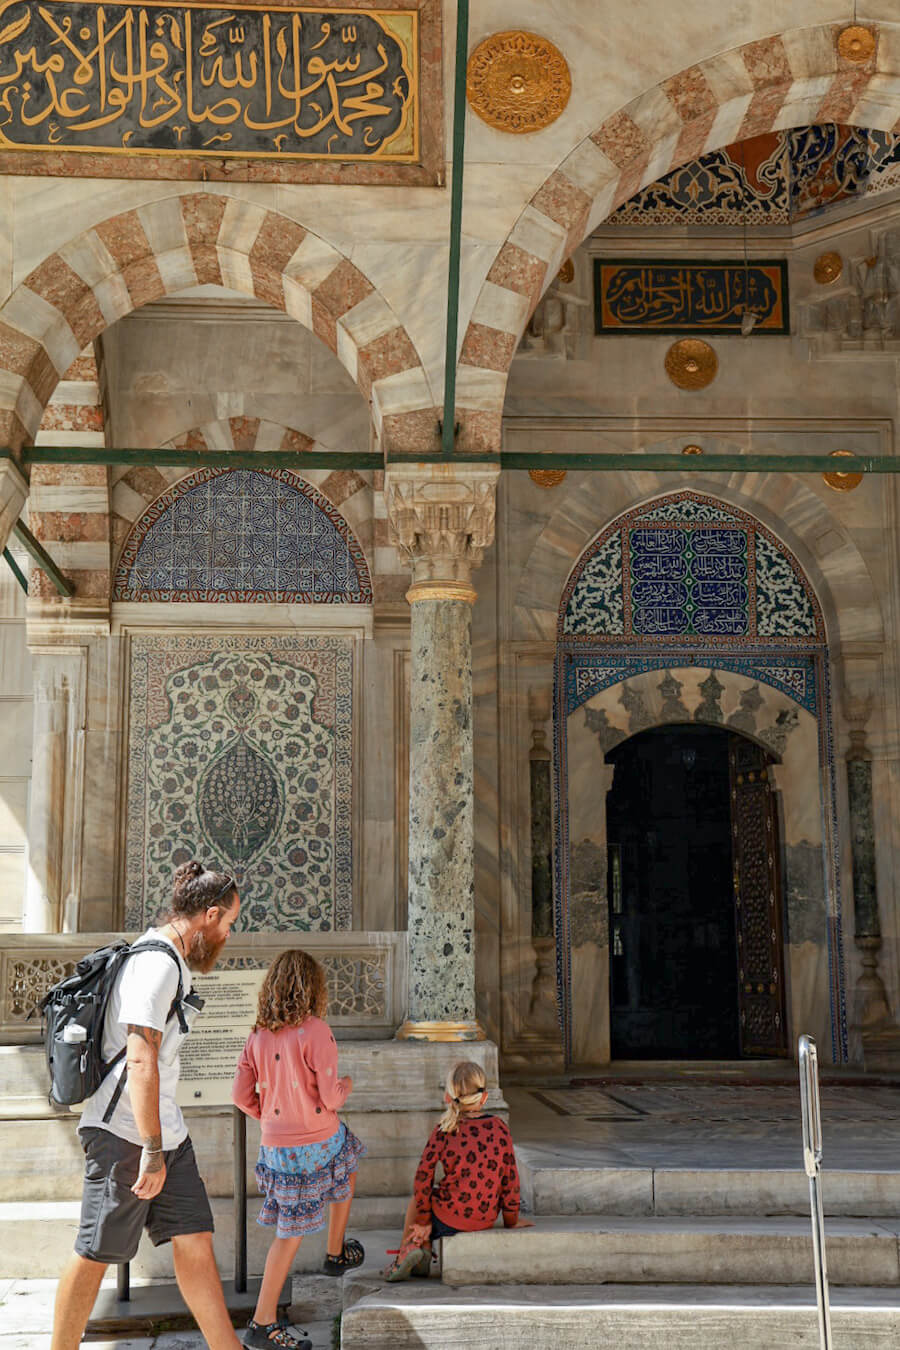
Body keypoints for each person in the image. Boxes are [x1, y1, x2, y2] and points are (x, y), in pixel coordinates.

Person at [51, 859, 244, 1350]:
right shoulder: (156, 964)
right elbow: (140, 1057)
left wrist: (162, 1143)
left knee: (195, 1240)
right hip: (124, 1134)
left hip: (164, 1132)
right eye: (228, 924)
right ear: (210, 914)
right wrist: (151, 1151)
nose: (227, 936)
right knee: (97, 1251)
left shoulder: (170, 960)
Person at [232, 949, 366, 1349]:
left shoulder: (256, 1035)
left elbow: (240, 1095)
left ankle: (334, 1251)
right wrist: (346, 1084)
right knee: (346, 1161)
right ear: (313, 989)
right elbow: (331, 1096)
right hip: (316, 1140)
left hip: (275, 1148)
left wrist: (271, 1118)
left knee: (292, 1224)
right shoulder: (316, 1030)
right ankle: (262, 1322)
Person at [385, 1059, 531, 1281]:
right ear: (484, 1097)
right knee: (434, 1201)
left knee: (419, 1201)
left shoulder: (444, 1130)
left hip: (448, 1220)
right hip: (485, 1218)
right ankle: (421, 1251)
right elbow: (510, 1179)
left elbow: (422, 1178)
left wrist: (424, 1221)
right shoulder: (500, 1128)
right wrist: (511, 1219)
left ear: (448, 1097)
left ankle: (411, 1249)